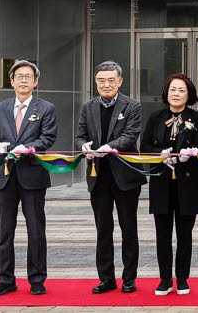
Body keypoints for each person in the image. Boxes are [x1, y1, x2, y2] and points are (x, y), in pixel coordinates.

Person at [0, 60, 58, 296]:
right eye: (19, 76)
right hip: (5, 176)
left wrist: (27, 148)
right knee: (4, 231)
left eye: (28, 76)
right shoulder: (0, 108)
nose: (23, 80)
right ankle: (5, 279)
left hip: (32, 175)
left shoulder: (46, 108)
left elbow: (48, 138)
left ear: (36, 82)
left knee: (36, 230)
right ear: (12, 81)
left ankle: (37, 279)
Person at [74, 61, 145, 294]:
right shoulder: (88, 107)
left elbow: (130, 136)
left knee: (128, 228)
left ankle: (129, 278)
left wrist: (107, 147)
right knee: (103, 228)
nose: (106, 85)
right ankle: (106, 278)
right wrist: (83, 146)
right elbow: (79, 136)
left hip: (125, 176)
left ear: (120, 82)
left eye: (110, 80)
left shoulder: (132, 106)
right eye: (101, 81)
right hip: (98, 177)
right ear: (96, 82)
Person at [140, 73, 198, 296]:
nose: (176, 94)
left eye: (181, 90)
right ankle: (164, 279)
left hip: (188, 183)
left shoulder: (197, 118)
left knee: (184, 234)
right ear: (166, 93)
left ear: (188, 95)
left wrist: (190, 153)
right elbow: (145, 147)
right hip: (161, 181)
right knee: (162, 234)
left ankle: (183, 278)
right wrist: (160, 154)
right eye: (172, 89)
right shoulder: (155, 117)